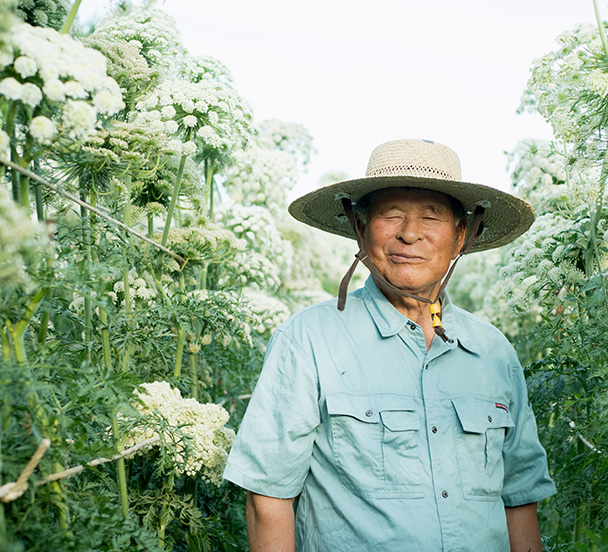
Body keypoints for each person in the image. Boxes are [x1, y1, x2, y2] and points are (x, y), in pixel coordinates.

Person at [223, 138, 556, 552]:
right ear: (360, 230)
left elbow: (519, 499)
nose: (410, 233)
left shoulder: (494, 352)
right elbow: (268, 498)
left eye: (431, 217)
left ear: (460, 238)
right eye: (391, 215)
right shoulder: (308, 339)